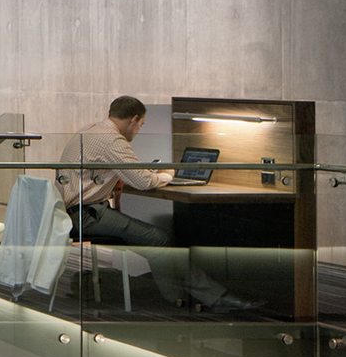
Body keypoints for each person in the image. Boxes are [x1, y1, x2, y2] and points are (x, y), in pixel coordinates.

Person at [56, 96, 248, 312]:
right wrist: (167, 175)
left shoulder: (90, 130)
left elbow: (127, 172)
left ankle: (190, 296)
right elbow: (144, 182)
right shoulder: (112, 140)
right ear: (134, 119)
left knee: (157, 242)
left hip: (74, 212)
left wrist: (147, 173)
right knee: (159, 240)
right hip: (87, 215)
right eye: (141, 125)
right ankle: (182, 300)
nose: (139, 130)